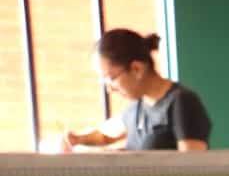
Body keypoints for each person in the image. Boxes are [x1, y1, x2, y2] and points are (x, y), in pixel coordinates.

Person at [57, 29, 212, 152]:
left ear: (136, 69)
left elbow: (192, 167)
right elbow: (105, 135)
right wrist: (76, 139)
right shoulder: (137, 107)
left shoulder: (182, 102)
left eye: (111, 78)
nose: (110, 89)